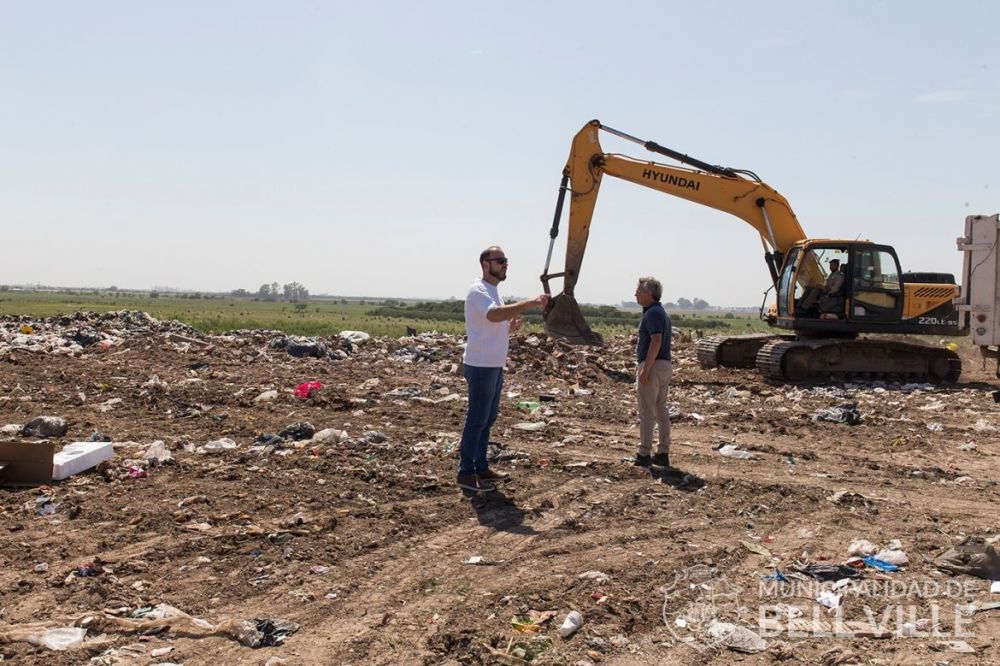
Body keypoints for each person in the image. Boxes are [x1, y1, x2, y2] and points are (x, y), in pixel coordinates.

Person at [457, 246, 550, 493]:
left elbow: (491, 324)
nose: (505, 264)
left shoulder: (493, 291)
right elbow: (493, 315)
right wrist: (529, 302)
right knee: (476, 421)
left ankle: (481, 466)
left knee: (487, 420)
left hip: (493, 365)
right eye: (500, 261)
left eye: (506, 260)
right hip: (481, 366)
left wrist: (509, 328)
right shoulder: (478, 290)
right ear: (485, 264)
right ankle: (466, 473)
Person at [633, 277, 673, 468]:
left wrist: (646, 369)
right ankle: (663, 453)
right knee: (660, 410)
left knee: (647, 411)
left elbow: (655, 341)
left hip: (654, 366)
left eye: (639, 291)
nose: (635, 294)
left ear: (649, 294)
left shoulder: (653, 314)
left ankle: (644, 453)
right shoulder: (660, 312)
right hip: (664, 366)